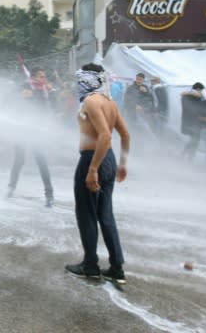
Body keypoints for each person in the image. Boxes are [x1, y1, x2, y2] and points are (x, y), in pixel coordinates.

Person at [65, 63, 130, 284]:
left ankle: (90, 265)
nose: (79, 84)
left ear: (89, 80)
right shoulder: (109, 103)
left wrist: (92, 169)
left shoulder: (91, 102)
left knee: (87, 214)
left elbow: (105, 135)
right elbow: (126, 135)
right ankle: (116, 268)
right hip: (109, 159)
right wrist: (121, 164)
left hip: (92, 158)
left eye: (81, 80)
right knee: (105, 214)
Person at [6, 81, 55, 208]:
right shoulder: (21, 93)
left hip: (36, 134)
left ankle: (49, 195)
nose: (43, 79)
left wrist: (50, 94)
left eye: (44, 77)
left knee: (42, 162)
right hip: (20, 133)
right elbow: (9, 103)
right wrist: (19, 94)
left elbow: (50, 108)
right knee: (19, 161)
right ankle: (11, 187)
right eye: (41, 77)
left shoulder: (42, 96)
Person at [180, 82, 206, 162]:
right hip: (194, 123)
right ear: (198, 89)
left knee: (193, 141)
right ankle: (189, 158)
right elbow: (200, 98)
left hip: (188, 123)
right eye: (201, 90)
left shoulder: (185, 96)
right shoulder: (196, 98)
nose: (201, 92)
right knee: (194, 142)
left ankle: (183, 156)